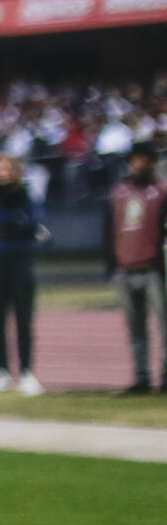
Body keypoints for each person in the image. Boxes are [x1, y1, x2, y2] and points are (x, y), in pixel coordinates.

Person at [0, 153, 47, 395]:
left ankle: (27, 372)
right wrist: (16, 223)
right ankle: (0, 372)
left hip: (21, 262)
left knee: (24, 321)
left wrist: (10, 225)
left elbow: (35, 221)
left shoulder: (26, 194)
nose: (2, 174)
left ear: (15, 171)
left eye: (6, 169)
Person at [105, 142, 164, 393]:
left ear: (152, 162)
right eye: (136, 160)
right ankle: (141, 376)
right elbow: (109, 230)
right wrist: (111, 262)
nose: (139, 164)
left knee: (164, 325)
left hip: (154, 269)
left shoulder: (162, 191)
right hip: (125, 268)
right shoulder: (119, 192)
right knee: (135, 329)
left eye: (144, 160)